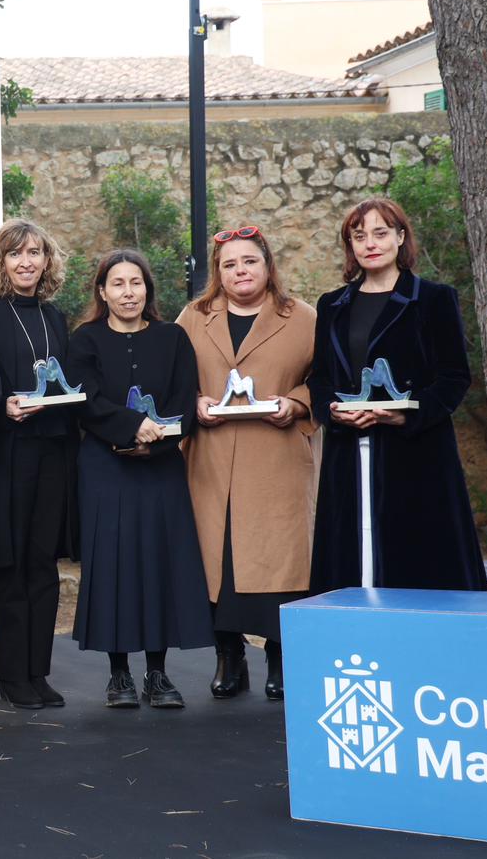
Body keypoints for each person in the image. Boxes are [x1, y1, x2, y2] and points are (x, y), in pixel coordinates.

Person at [308, 198, 485, 593]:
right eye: (359, 235)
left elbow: (455, 377)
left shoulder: (434, 298)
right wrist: (333, 412)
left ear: (400, 237)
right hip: (348, 456)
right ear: (350, 245)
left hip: (417, 459)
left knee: (420, 572)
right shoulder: (332, 305)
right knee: (350, 565)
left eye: (380, 233)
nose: (370, 243)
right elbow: (318, 378)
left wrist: (406, 415)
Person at [177, 226, 316, 702]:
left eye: (249, 261)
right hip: (212, 463)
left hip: (275, 462)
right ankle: (229, 655)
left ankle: (280, 657)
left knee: (279, 564)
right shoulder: (194, 317)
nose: (240, 271)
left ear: (267, 265)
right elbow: (170, 374)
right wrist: (192, 400)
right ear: (218, 272)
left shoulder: (302, 318)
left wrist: (296, 403)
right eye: (229, 264)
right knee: (220, 564)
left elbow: (329, 378)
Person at [68, 249, 211, 710]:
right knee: (112, 564)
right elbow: (84, 401)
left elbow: (184, 400)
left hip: (161, 468)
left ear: (147, 289)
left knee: (157, 564)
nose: (128, 292)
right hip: (104, 469)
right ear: (102, 291)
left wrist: (158, 442)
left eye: (136, 283)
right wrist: (129, 430)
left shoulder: (173, 338)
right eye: (118, 284)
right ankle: (118, 676)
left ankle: (158, 673)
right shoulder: (85, 340)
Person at [0, 219, 79, 712]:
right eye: (16, 254)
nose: (26, 261)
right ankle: (12, 677)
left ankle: (38, 671)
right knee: (10, 568)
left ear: (47, 260)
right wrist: (1, 408)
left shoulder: (56, 318)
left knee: (43, 566)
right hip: (4, 454)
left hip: (51, 451)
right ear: (0, 262)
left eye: (35, 252)